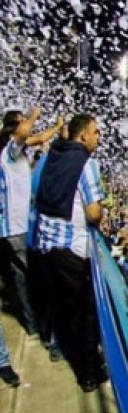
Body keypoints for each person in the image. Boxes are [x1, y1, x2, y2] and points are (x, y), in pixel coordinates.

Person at [27, 113, 105, 391]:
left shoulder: (53, 154)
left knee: (63, 309)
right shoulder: (87, 163)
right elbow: (94, 213)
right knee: (85, 314)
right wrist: (102, 211)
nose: (99, 137)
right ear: (83, 135)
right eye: (96, 132)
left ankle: (65, 350)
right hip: (71, 250)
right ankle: (88, 373)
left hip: (45, 246)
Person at [0, 108, 61, 348]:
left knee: (21, 278)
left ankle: (32, 324)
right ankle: (44, 330)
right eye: (23, 122)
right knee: (36, 278)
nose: (28, 125)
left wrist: (57, 126)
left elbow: (39, 138)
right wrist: (34, 114)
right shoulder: (9, 152)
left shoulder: (16, 150)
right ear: (13, 129)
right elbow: (27, 133)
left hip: (12, 229)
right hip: (16, 228)